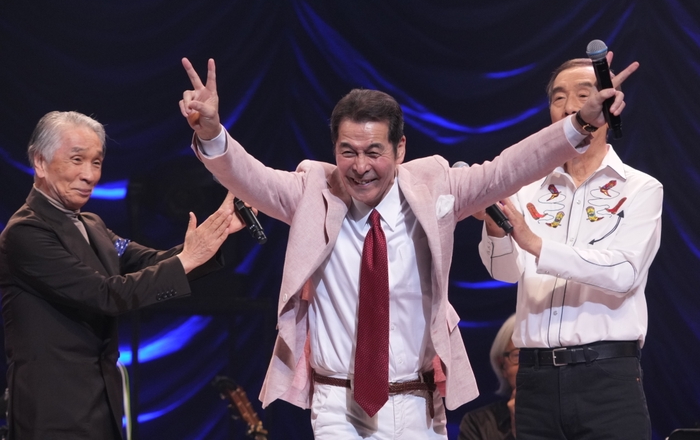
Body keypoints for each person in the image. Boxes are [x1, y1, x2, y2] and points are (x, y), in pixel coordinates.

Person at [178, 53, 635, 439]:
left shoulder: (436, 186)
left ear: (400, 149)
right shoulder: (311, 191)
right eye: (347, 151)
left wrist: (580, 123)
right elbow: (249, 177)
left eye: (374, 152)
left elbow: (508, 169)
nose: (360, 166)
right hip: (338, 404)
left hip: (417, 403)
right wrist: (212, 133)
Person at [0, 111, 245, 440]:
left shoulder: (93, 225)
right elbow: (105, 294)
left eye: (97, 162)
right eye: (77, 160)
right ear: (40, 162)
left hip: (101, 406)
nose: (89, 175)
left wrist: (214, 237)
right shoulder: (26, 233)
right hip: (52, 412)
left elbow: (149, 263)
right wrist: (188, 258)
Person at [477, 57, 662, 440]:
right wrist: (496, 232)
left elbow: (623, 273)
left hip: (607, 378)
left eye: (583, 95)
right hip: (534, 380)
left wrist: (535, 243)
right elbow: (505, 273)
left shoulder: (640, 188)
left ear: (609, 105)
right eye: (559, 97)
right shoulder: (527, 187)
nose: (569, 107)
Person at [458, 314, 517, 440]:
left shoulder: (562, 416)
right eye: (517, 356)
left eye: (538, 357)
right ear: (502, 365)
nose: (528, 367)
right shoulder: (477, 424)